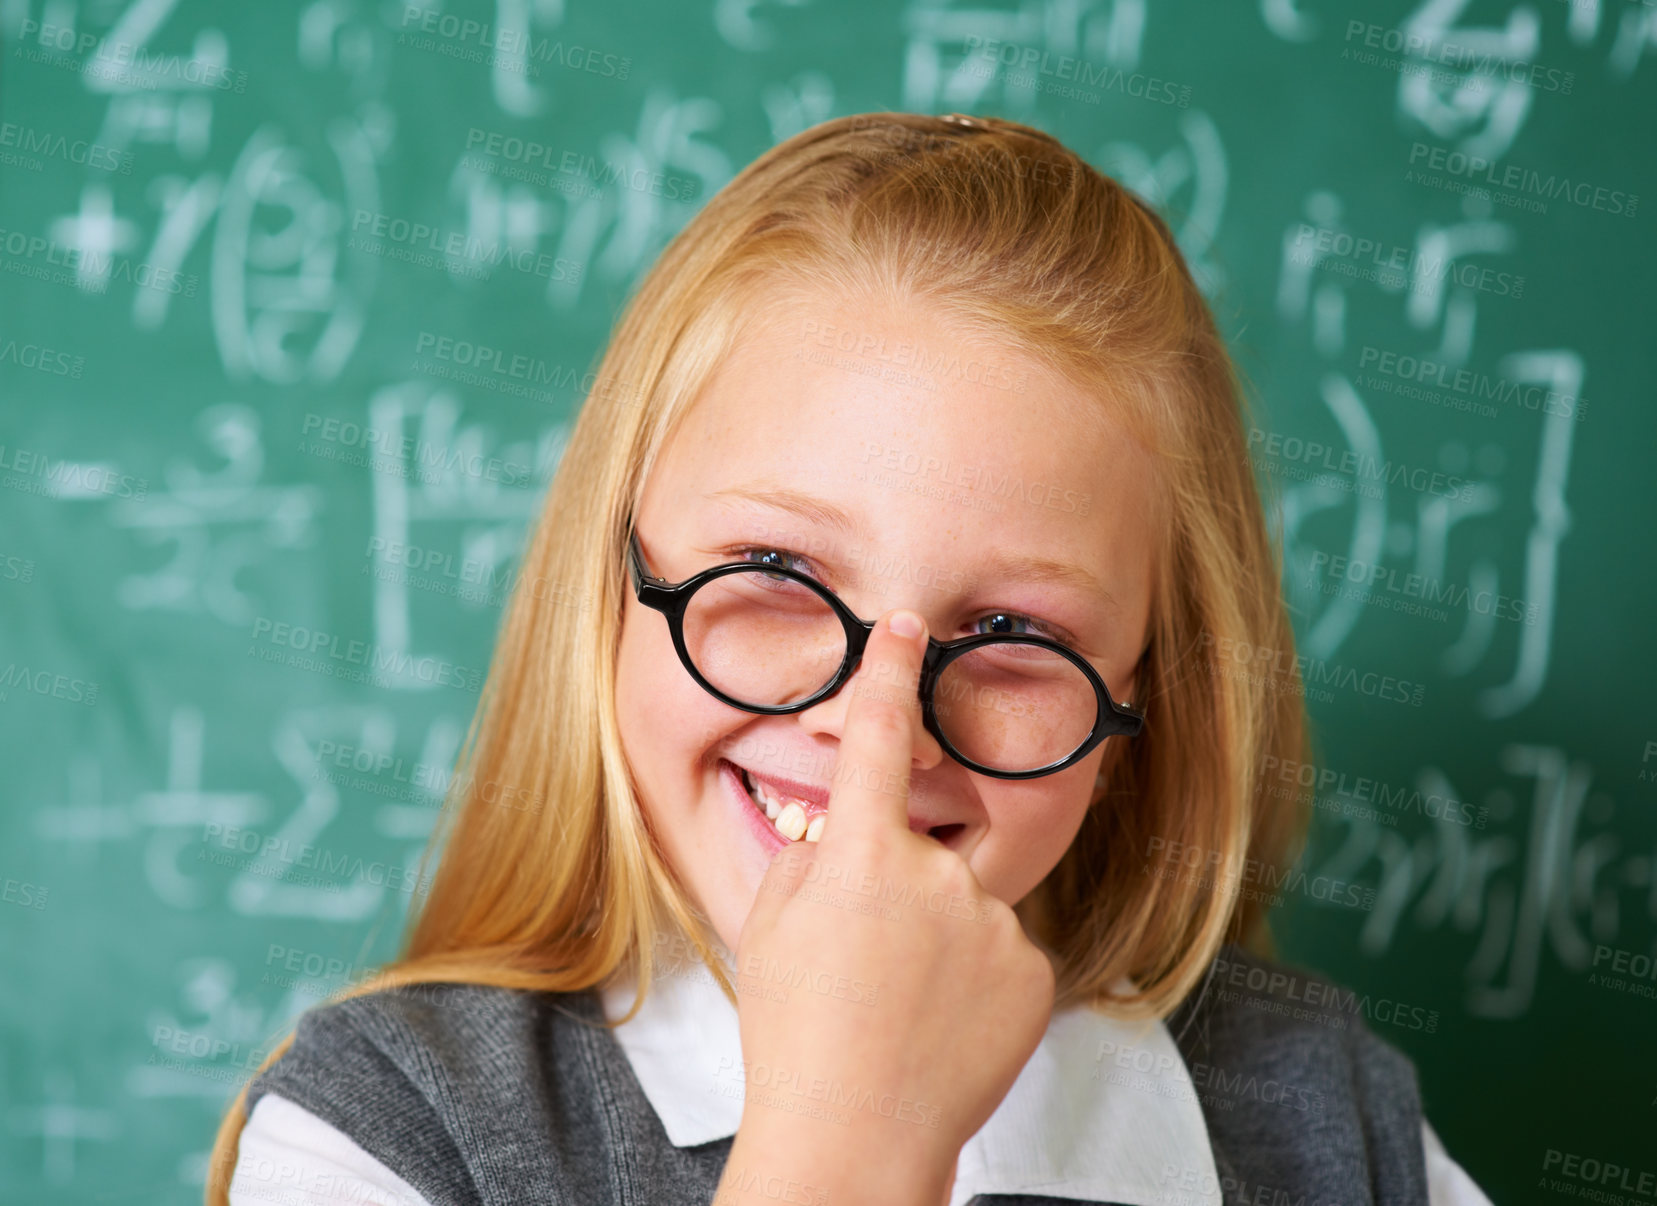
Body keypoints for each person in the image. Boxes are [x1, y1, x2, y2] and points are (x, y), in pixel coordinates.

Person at [207, 111, 1492, 1206]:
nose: (876, 728)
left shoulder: (1332, 1123)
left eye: (1013, 639)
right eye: (775, 578)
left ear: (1143, 698)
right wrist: (850, 1126)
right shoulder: (389, 1133)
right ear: (614, 580)